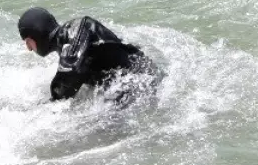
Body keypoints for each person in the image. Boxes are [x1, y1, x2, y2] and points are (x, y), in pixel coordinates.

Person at [18, 7, 162, 103]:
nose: (29, 48)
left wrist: (49, 107)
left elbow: (70, 75)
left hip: (143, 81)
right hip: (132, 85)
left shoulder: (77, 28)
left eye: (27, 42)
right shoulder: (65, 45)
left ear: (34, 37)